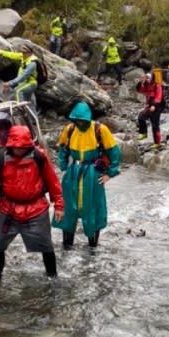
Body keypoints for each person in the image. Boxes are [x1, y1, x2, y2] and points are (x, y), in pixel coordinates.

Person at [0, 125, 64, 281]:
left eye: (23, 147)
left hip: (36, 208)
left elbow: (52, 181)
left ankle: (52, 275)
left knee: (46, 245)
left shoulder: (39, 156)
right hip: (8, 207)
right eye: (16, 147)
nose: (19, 150)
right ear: (10, 144)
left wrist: (59, 204)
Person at [52, 101, 121, 249]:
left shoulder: (100, 130)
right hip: (73, 172)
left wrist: (110, 173)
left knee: (93, 207)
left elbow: (114, 153)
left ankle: (92, 247)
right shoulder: (69, 129)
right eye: (77, 120)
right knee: (68, 207)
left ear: (88, 119)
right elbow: (63, 150)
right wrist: (63, 167)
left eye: (82, 120)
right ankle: (67, 245)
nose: (79, 123)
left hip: (92, 172)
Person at [0, 44, 38, 116]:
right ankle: (34, 119)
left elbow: (23, 77)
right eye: (22, 52)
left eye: (25, 53)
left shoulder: (32, 64)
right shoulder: (24, 57)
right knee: (28, 101)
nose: (23, 54)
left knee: (18, 91)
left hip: (31, 83)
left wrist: (10, 83)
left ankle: (22, 113)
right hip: (25, 83)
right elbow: (12, 55)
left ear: (30, 53)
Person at [136, 72, 165, 149]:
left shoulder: (157, 86)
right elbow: (139, 90)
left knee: (155, 125)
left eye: (148, 78)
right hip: (150, 105)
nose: (147, 79)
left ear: (152, 78)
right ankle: (143, 133)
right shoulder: (146, 85)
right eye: (146, 77)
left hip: (157, 106)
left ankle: (157, 143)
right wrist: (140, 82)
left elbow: (158, 97)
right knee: (141, 117)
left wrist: (154, 106)